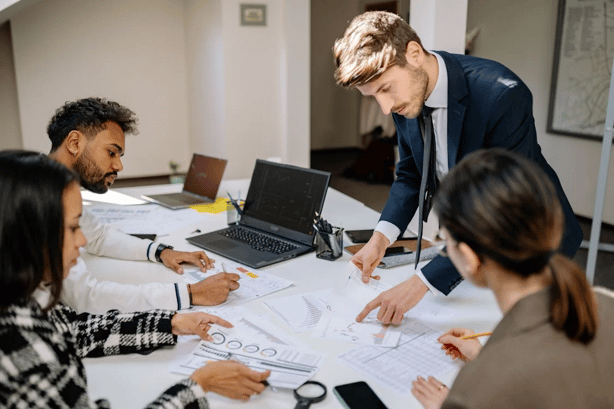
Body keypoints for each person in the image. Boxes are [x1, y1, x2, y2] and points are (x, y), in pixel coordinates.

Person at [333, 11, 583, 324]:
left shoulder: (501, 93)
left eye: (385, 89)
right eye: (374, 98)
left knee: (521, 341)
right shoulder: (404, 95)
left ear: (413, 53)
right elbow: (411, 175)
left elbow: (500, 208)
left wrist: (420, 283)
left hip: (531, 241)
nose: (385, 108)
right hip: (474, 254)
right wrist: (379, 240)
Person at [0, 150, 270, 408]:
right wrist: (199, 385)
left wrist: (170, 322)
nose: (82, 241)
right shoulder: (23, 351)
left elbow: (75, 331)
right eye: (72, 228)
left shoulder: (23, 296)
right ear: (26, 235)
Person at [407, 149, 614, 409]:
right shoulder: (604, 302)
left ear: (469, 257)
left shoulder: (476, 391)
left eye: (444, 240)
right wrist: (488, 357)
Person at [47, 97, 240, 314]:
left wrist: (160, 252)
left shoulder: (57, 186)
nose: (119, 165)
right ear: (74, 143)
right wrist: (191, 293)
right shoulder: (42, 200)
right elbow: (86, 297)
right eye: (111, 152)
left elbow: (98, 236)